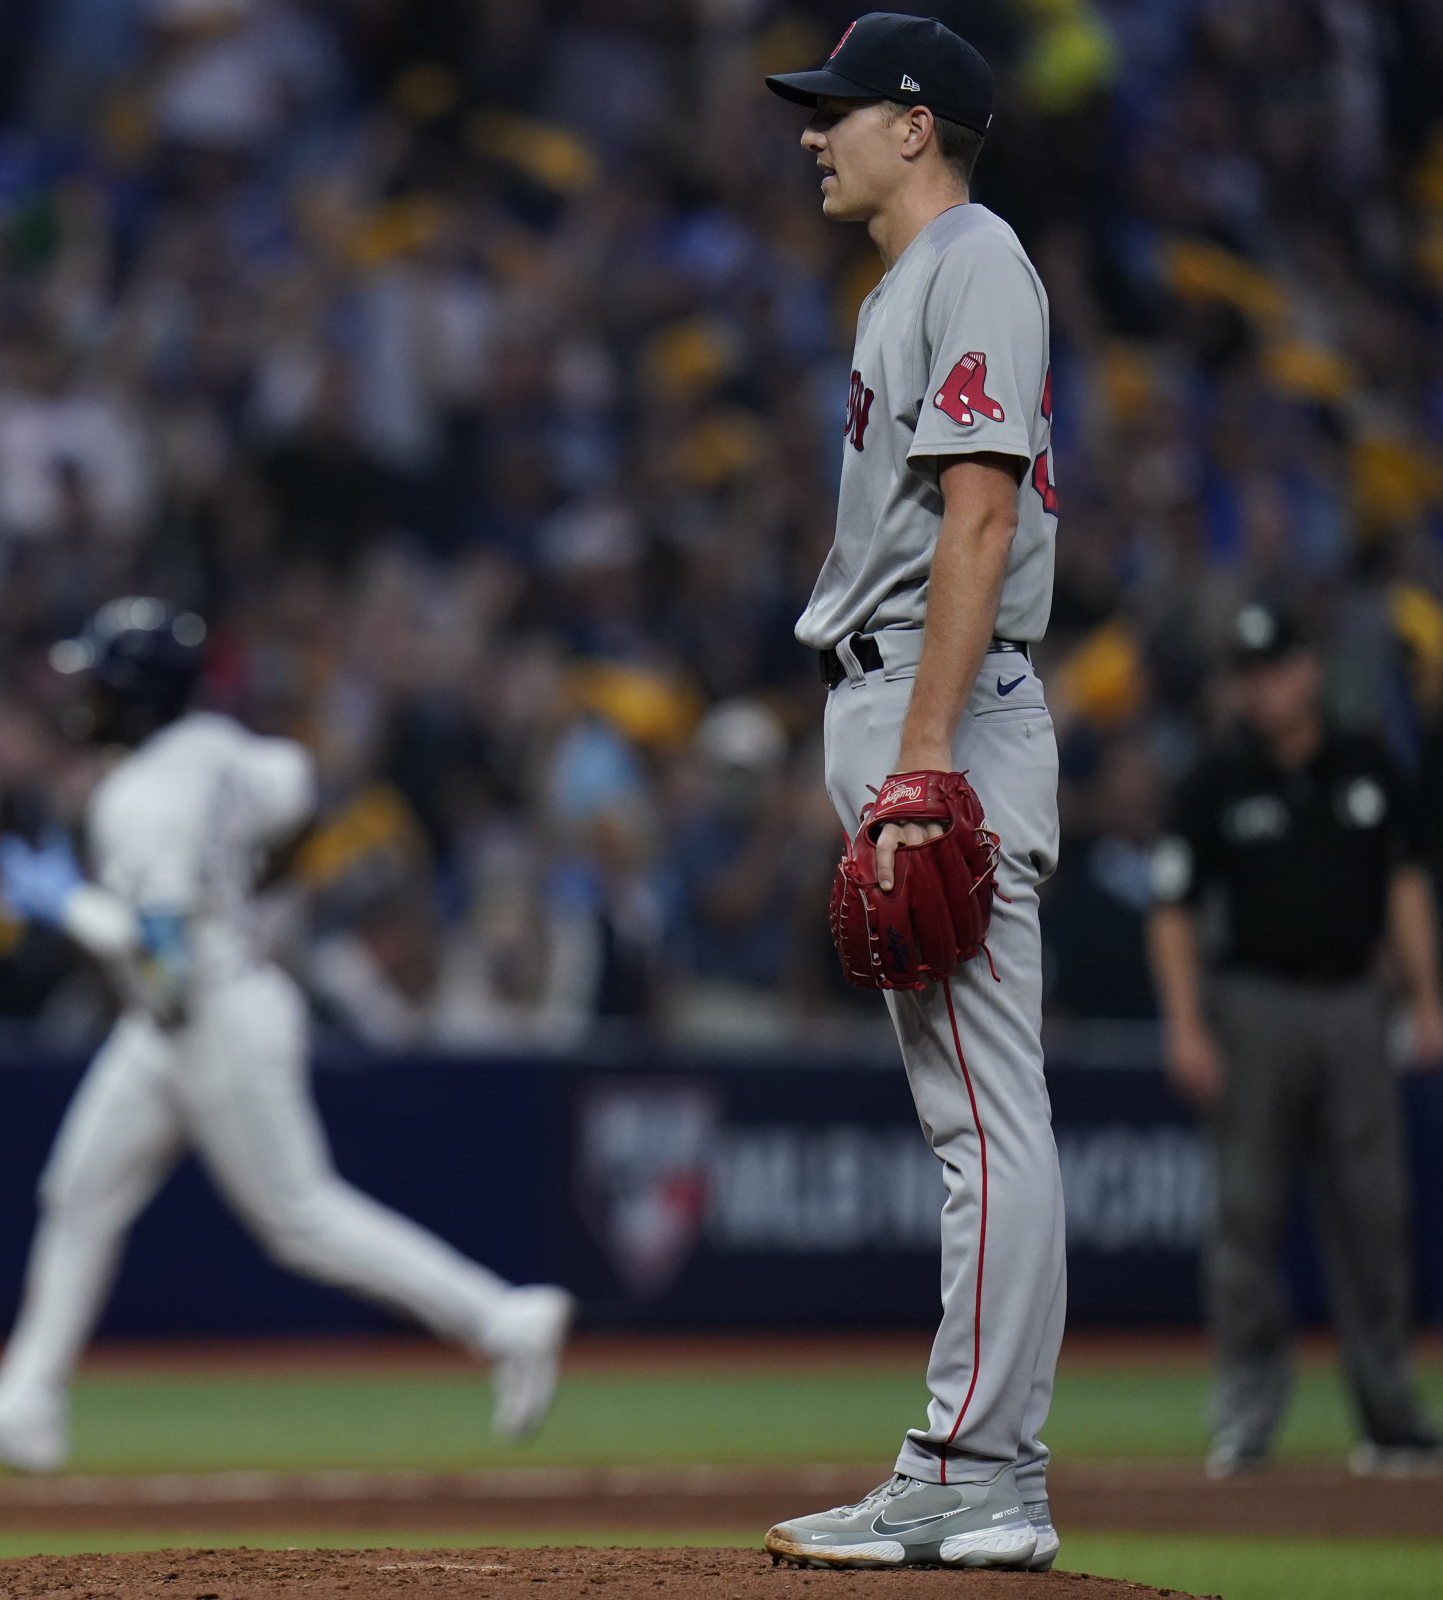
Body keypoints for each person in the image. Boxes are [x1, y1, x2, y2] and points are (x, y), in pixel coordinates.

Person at [0, 597, 574, 1472]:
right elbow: (296, 785)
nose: (86, 697)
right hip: (199, 1005)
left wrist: (70, 904)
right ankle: (31, 1400)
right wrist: (241, 892)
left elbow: (163, 972)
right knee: (80, 1191)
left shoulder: (137, 799)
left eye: (102, 682)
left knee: (300, 1216)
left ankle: (504, 1320)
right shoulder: (221, 748)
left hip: (209, 1013)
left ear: (137, 694)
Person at [759, 15, 1063, 1573]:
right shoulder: (908, 285)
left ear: (916, 123)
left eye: (838, 110)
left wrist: (927, 756)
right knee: (971, 1119)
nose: (815, 133)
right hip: (897, 701)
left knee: (986, 1127)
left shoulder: (975, 261)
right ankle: (980, 1464)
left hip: (938, 711)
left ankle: (978, 1469)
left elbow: (981, 518)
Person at [1145, 603, 1443, 1479]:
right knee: (1245, 1217)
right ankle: (1245, 1417)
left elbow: (1405, 883)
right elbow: (1171, 910)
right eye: (1247, 672)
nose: (1262, 686)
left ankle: (1390, 1415)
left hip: (1354, 1000)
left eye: (1274, 666)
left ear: (1308, 670)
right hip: (1252, 1005)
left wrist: (1428, 997)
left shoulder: (1366, 762)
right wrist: (1186, 1023)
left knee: (1375, 1214)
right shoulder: (1215, 778)